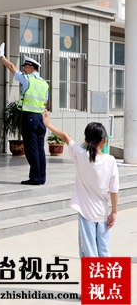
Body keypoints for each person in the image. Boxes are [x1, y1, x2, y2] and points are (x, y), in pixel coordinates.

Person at [42, 110, 119, 257]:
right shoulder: (110, 161)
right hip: (102, 212)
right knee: (104, 250)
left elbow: (66, 137)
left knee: (89, 251)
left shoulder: (80, 155)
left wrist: (49, 124)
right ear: (105, 140)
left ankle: (93, 279)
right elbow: (114, 190)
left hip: (86, 213)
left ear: (85, 140)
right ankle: (106, 279)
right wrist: (114, 211)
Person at [0, 43, 49, 185]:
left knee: (31, 150)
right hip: (40, 119)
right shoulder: (45, 83)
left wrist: (2, 56)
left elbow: (11, 67)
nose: (23, 69)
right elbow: (45, 102)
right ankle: (41, 177)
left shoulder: (28, 79)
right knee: (40, 150)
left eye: (25, 66)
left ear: (31, 68)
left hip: (30, 118)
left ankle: (35, 178)